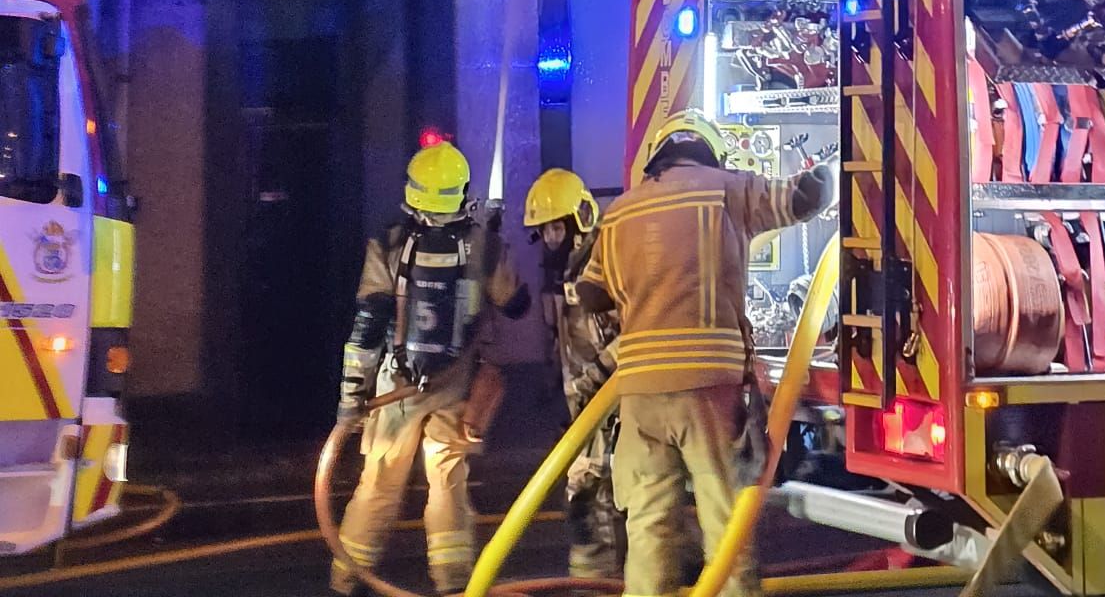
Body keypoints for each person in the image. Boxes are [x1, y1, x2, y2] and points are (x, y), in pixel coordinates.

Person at [575, 112, 833, 597]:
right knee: (725, 523)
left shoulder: (622, 210)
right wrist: (844, 167)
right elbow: (805, 197)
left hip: (640, 395)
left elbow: (590, 293)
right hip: (709, 391)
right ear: (710, 152)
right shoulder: (726, 188)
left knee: (649, 525)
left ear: (658, 153)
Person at [333, 139, 531, 596]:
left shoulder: (388, 243)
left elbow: (367, 324)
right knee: (447, 484)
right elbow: (517, 305)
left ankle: (347, 581)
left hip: (396, 386)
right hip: (456, 385)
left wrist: (351, 400)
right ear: (461, 192)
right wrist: (496, 241)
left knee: (379, 485)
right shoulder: (482, 245)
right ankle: (455, 583)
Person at [523, 167, 623, 578]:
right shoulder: (567, 274)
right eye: (544, 231)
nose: (549, 239)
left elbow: (637, 331)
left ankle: (599, 581)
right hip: (586, 408)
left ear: (577, 221)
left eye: (555, 229)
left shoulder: (606, 265)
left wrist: (597, 374)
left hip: (617, 402)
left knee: (596, 495)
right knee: (603, 499)